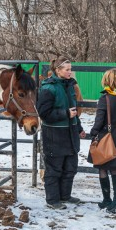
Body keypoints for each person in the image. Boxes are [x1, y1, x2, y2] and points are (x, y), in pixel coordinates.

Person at [37, 56, 86, 209]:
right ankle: (52, 200)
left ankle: (65, 196)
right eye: (67, 69)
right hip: (54, 135)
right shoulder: (48, 88)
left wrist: (79, 128)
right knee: (54, 168)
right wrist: (64, 114)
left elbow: (74, 112)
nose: (70, 72)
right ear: (58, 70)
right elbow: (43, 113)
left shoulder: (70, 86)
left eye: (70, 69)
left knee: (70, 167)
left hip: (70, 133)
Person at [87, 68, 116, 213]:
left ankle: (107, 199)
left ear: (108, 81)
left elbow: (99, 120)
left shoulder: (105, 98)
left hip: (105, 135)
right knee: (115, 168)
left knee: (103, 168)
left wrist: (92, 133)